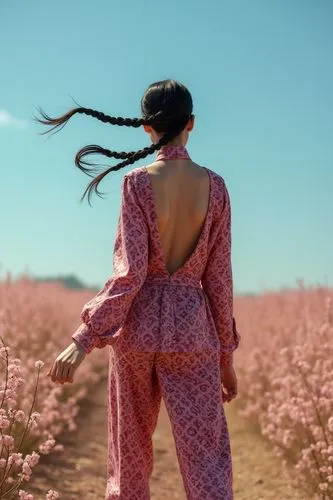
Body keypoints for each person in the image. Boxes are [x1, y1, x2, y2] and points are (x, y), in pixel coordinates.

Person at [36, 79, 241, 500]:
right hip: (193, 334)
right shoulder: (216, 188)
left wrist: (84, 339)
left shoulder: (136, 184)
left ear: (147, 128)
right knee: (207, 461)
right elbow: (218, 280)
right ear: (192, 124)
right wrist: (225, 355)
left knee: (128, 459)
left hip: (136, 334)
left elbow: (129, 274)